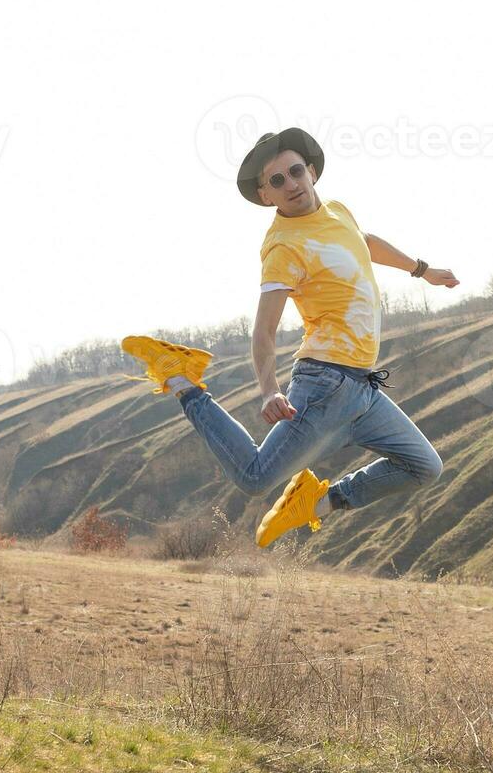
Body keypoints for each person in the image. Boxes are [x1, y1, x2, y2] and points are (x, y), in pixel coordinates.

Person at [122, 127, 459, 547]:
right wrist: (268, 391)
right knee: (254, 477)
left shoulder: (338, 212)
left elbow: (365, 242)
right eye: (276, 181)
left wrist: (421, 270)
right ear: (266, 196)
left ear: (312, 172)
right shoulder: (283, 247)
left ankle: (315, 502)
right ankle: (181, 379)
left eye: (295, 172)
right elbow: (263, 330)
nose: (290, 184)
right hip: (324, 387)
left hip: (363, 389)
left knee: (424, 466)